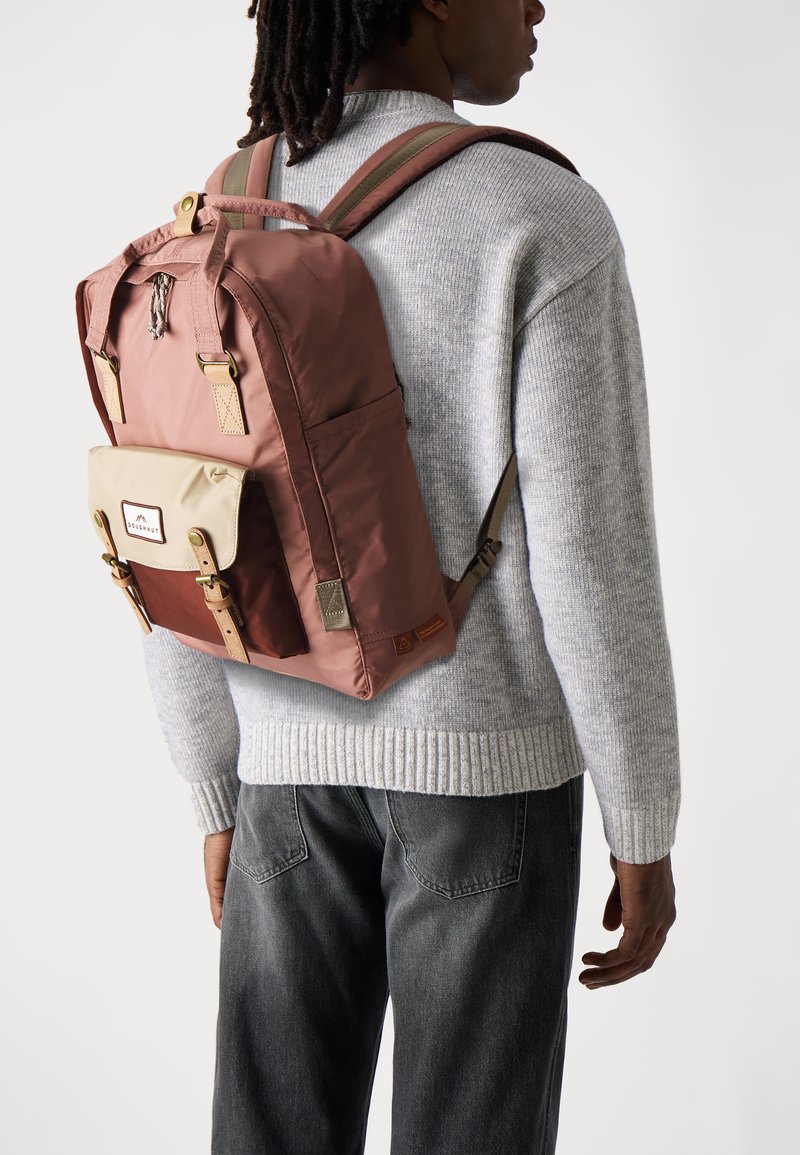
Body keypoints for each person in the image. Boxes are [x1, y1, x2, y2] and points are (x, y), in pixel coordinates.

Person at [141, 2, 681, 1151]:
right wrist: (640, 818)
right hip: (486, 781)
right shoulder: (538, 215)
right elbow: (592, 555)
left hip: (282, 775)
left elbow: (178, 534)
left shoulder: (222, 208)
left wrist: (213, 785)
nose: (536, 9)